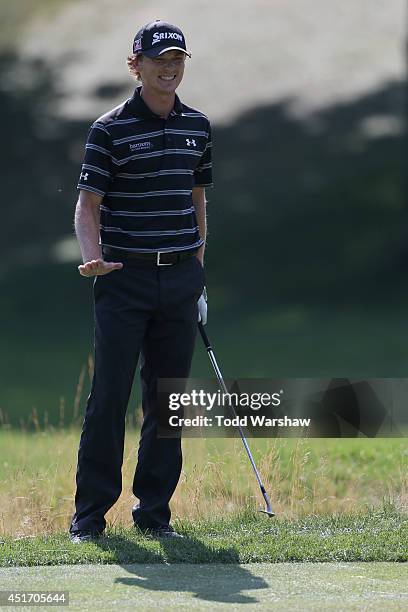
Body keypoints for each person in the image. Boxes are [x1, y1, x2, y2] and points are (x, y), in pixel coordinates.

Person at [69, 20, 213, 542]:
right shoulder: (109, 129)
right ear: (136, 66)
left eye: (177, 59)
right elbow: (88, 206)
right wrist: (93, 258)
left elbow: (197, 198)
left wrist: (197, 265)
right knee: (109, 396)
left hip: (178, 278)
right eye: (158, 60)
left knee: (168, 401)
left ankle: (154, 514)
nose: (169, 68)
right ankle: (89, 517)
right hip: (123, 277)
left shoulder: (198, 125)